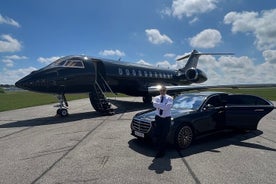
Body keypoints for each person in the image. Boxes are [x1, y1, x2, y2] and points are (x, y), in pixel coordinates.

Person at [152, 85, 173, 158]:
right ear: (159, 91)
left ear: (166, 91)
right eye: (161, 90)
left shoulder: (170, 98)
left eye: (164, 90)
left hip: (166, 119)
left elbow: (168, 107)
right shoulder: (156, 98)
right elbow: (154, 105)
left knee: (164, 135)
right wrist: (163, 105)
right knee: (158, 134)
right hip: (158, 118)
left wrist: (159, 105)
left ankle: (161, 152)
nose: (162, 91)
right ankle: (159, 148)